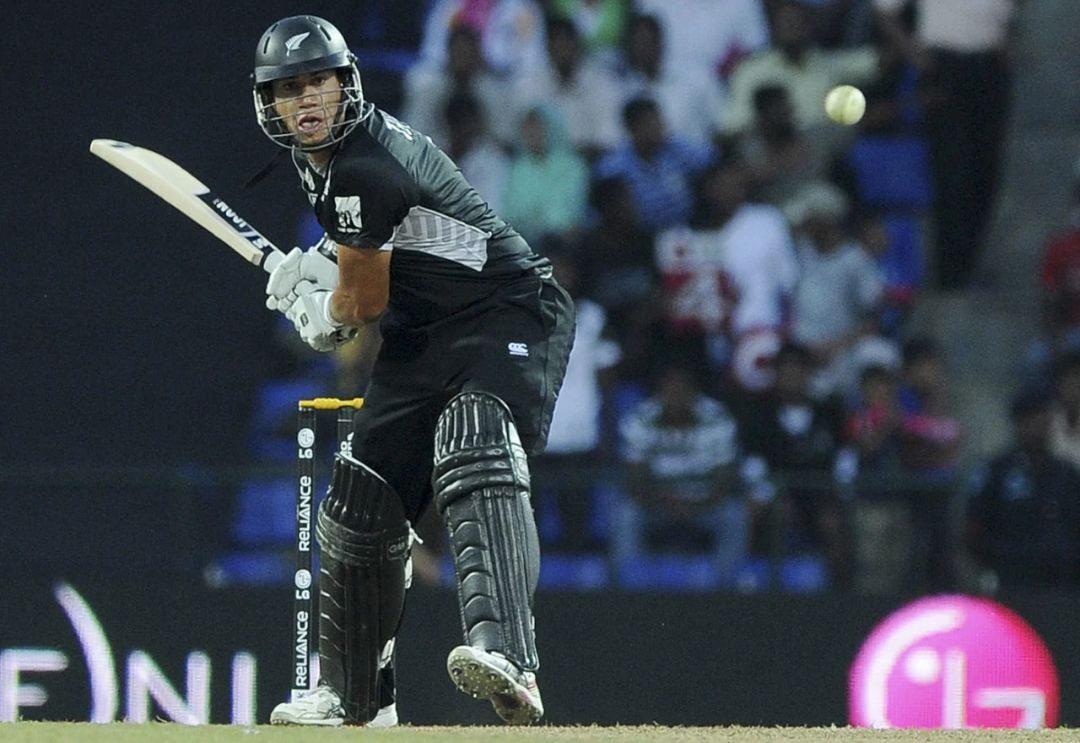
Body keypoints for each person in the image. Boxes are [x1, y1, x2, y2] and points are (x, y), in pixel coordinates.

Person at [250, 16, 575, 727]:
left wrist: (322, 313)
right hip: (422, 330)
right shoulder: (324, 159)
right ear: (268, 102)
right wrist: (326, 273)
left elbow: (361, 304)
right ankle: (356, 699)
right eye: (287, 88)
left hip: (506, 310)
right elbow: (383, 261)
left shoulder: (361, 163)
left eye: (318, 82)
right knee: (360, 497)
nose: (305, 99)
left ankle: (508, 656)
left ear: (345, 85)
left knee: (474, 433)